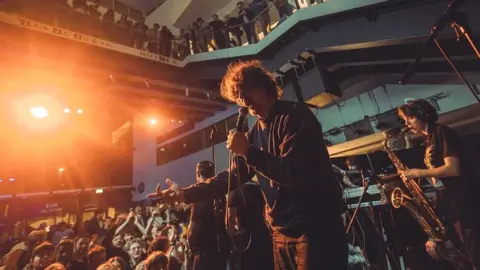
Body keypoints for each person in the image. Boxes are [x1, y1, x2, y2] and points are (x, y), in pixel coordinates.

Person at [148, 60, 348, 269]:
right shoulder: (254, 134)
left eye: (246, 91)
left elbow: (294, 173)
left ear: (264, 86)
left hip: (315, 227)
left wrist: (247, 152)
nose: (243, 100)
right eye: (238, 96)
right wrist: (185, 194)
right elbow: (231, 177)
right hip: (280, 232)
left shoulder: (294, 117)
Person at [397, 99, 477, 268]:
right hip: (449, 200)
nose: (407, 123)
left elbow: (452, 169)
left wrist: (418, 172)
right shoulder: (428, 139)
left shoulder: (442, 132)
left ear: (422, 115)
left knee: (473, 247)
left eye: (410, 118)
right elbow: (437, 175)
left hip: (462, 199)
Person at [187, 160, 230, 270]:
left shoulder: (199, 197)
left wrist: (190, 247)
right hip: (222, 252)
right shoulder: (221, 195)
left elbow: (192, 231)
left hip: (205, 256)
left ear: (197, 173)